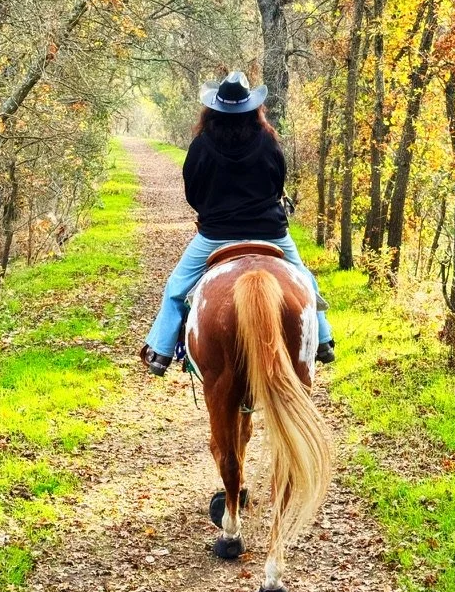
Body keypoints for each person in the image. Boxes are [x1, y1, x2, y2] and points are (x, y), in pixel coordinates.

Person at [140, 71, 335, 377]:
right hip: (270, 233)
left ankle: (161, 351)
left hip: (216, 235)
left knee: (177, 288)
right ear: (252, 108)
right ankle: (323, 340)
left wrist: (214, 212)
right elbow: (276, 184)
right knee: (306, 281)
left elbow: (193, 193)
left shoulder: (201, 145)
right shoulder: (268, 141)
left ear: (214, 109)